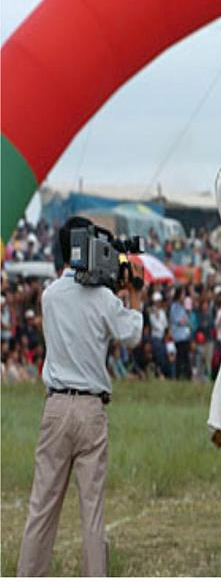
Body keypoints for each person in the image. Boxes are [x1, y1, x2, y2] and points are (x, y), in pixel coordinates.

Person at [17, 216, 143, 577]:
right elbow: (131, 334)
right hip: (91, 409)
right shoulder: (104, 299)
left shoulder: (50, 296)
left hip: (56, 406)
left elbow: (74, 297)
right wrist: (133, 295)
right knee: (92, 511)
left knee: (42, 506)